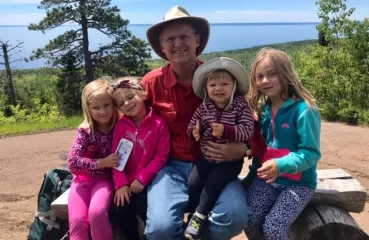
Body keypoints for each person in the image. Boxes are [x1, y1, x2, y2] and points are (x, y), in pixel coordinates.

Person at [141, 6, 250, 240]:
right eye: (170, 38)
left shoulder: (219, 77)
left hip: (218, 164)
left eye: (184, 36)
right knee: (160, 230)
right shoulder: (151, 84)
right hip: (169, 166)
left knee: (234, 217)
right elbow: (132, 125)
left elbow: (251, 123)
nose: (178, 43)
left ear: (197, 39)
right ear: (162, 47)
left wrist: (244, 148)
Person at [243, 48, 321, 240]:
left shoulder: (304, 110)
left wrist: (280, 165)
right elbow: (261, 152)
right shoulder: (263, 111)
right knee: (250, 219)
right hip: (267, 181)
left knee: (274, 227)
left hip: (299, 184)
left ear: (285, 74)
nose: (265, 81)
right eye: (259, 76)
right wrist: (252, 176)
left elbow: (311, 153)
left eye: (272, 74)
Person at [184, 57, 254, 240]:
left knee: (213, 183)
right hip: (206, 157)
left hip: (229, 163)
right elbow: (191, 126)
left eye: (224, 84)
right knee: (192, 183)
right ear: (207, 89)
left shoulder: (240, 105)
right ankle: (196, 213)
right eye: (213, 85)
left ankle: (199, 217)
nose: (218, 88)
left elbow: (248, 130)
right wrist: (194, 133)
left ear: (233, 86)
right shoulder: (204, 106)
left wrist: (227, 131)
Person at [109, 77, 171, 240]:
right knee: (122, 209)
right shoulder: (120, 127)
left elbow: (161, 156)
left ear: (143, 95)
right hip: (126, 183)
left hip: (150, 182)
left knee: (146, 208)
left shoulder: (159, 124)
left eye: (130, 97)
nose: (127, 104)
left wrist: (142, 179)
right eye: (121, 103)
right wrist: (121, 185)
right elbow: (116, 159)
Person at [67, 79, 119, 240]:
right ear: (87, 108)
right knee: (77, 220)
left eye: (106, 105)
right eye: (95, 107)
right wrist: (101, 163)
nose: (102, 111)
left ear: (114, 104)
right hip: (81, 181)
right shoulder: (85, 132)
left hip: (105, 180)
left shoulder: (121, 128)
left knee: (96, 213)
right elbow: (73, 162)